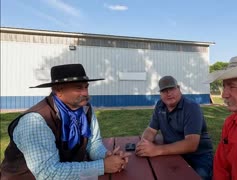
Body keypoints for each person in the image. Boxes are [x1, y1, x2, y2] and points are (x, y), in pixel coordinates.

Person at [0, 64, 130, 180]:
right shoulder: (35, 121)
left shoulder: (85, 109)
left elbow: (93, 143)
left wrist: (105, 156)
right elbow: (47, 174)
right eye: (78, 88)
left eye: (86, 87)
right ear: (59, 91)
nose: (85, 93)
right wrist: (103, 166)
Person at [135, 75, 213, 180]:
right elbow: (151, 130)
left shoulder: (191, 107)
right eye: (164, 90)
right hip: (172, 152)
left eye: (172, 88)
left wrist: (156, 150)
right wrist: (144, 144)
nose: (169, 93)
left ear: (179, 88)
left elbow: (191, 144)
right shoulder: (160, 105)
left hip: (198, 156)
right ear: (160, 94)